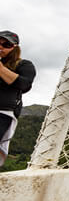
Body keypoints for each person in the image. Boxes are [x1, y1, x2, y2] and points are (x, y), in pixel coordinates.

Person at [0, 31, 35, 167]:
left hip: (3, 113)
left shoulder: (24, 65)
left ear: (15, 47)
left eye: (6, 44)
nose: (1, 47)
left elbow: (24, 84)